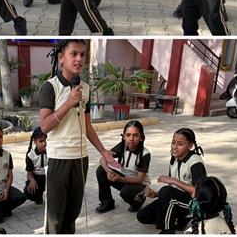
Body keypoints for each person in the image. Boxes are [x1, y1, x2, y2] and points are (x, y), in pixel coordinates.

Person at [39, 39, 117, 233]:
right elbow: (45, 126)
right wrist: (69, 102)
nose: (79, 58)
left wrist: (104, 151)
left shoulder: (86, 89)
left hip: (81, 158)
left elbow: (87, 126)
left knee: (72, 214)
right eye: (74, 54)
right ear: (61, 58)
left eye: (82, 54)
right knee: (55, 217)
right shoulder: (50, 87)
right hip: (59, 158)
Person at [137, 127, 206, 234]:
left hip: (192, 204)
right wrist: (156, 194)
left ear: (190, 145)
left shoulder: (195, 162)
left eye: (180, 144)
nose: (175, 147)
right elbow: (172, 189)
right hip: (176, 201)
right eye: (173, 142)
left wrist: (173, 180)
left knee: (166, 191)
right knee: (142, 216)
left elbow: (197, 191)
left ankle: (168, 229)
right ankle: (181, 219)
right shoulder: (175, 159)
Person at [95, 120, 151, 213]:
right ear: (124, 136)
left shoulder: (145, 154)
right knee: (101, 170)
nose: (131, 139)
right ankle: (107, 203)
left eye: (135, 135)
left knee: (126, 192)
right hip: (124, 179)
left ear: (141, 137)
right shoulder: (122, 146)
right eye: (128, 135)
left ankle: (138, 202)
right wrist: (108, 171)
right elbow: (103, 158)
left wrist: (119, 179)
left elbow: (139, 180)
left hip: (139, 186)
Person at [24, 127, 48, 205]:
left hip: (49, 177)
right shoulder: (31, 155)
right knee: (29, 192)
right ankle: (38, 196)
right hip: (37, 178)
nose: (44, 144)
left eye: (46, 140)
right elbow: (29, 172)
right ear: (34, 141)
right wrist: (32, 180)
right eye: (41, 141)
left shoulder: (51, 152)